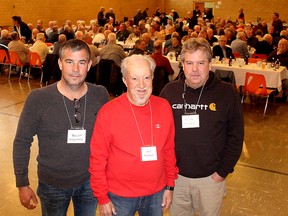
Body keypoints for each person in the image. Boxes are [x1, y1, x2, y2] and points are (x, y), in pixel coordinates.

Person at [13, 39, 109, 215]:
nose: (75, 69)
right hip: (52, 184)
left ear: (89, 65)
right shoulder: (38, 99)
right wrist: (22, 183)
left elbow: (110, 138)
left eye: (81, 62)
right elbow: (21, 141)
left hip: (90, 181)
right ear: (59, 63)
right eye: (69, 62)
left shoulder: (100, 94)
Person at [160, 37, 244, 216]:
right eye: (189, 63)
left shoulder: (227, 94)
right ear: (182, 64)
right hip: (177, 178)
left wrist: (221, 172)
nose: (195, 69)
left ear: (210, 64)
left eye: (201, 62)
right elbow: (159, 133)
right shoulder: (169, 92)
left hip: (210, 179)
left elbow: (236, 137)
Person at [89, 54, 178, 216]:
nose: (142, 85)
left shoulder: (164, 107)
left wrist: (170, 186)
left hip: (156, 193)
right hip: (119, 196)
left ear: (153, 78)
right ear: (125, 81)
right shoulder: (108, 112)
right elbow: (98, 159)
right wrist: (102, 197)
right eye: (135, 79)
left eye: (146, 77)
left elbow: (169, 149)